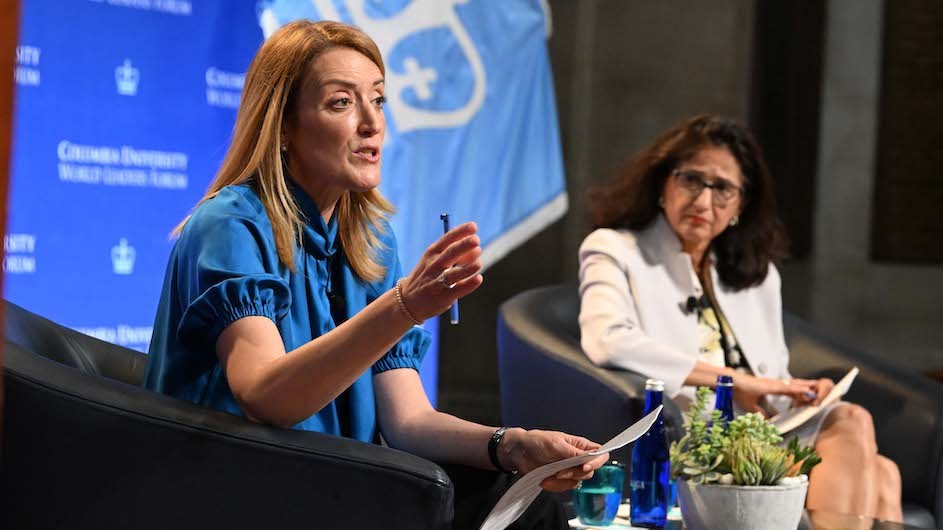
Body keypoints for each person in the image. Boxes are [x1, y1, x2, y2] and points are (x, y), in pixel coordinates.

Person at [143, 20, 606, 529]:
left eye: (379, 100)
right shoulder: (230, 225)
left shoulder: (371, 240)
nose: (372, 123)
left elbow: (407, 422)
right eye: (341, 102)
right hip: (240, 490)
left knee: (529, 507)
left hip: (337, 484)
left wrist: (511, 445)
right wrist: (403, 306)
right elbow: (266, 398)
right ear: (283, 127)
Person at [578, 114, 902, 521]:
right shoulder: (615, 250)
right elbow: (608, 339)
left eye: (722, 189)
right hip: (701, 440)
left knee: (882, 469)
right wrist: (737, 382)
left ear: (740, 204)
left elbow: (772, 379)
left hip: (766, 431)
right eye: (691, 180)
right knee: (855, 426)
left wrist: (799, 393)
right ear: (663, 182)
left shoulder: (755, 274)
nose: (702, 201)